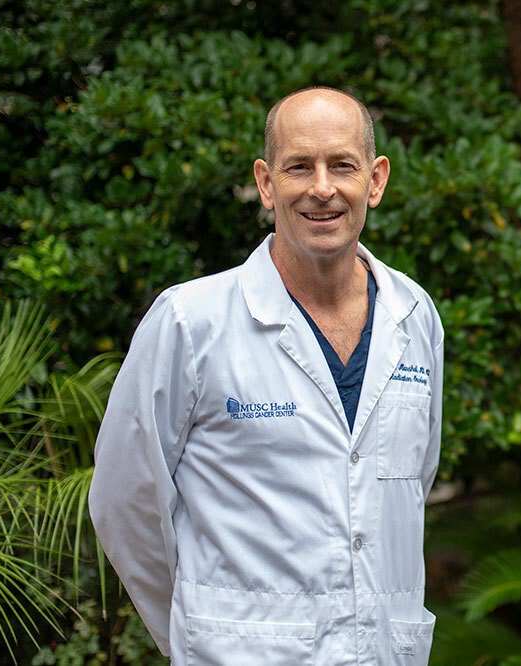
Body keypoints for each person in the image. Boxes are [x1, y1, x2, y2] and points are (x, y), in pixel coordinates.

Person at [89, 87, 444, 664]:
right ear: (266, 182)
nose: (322, 188)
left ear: (376, 181)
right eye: (299, 166)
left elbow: (414, 484)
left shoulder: (415, 314)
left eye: (343, 166)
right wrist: (201, 632)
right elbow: (123, 502)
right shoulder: (190, 322)